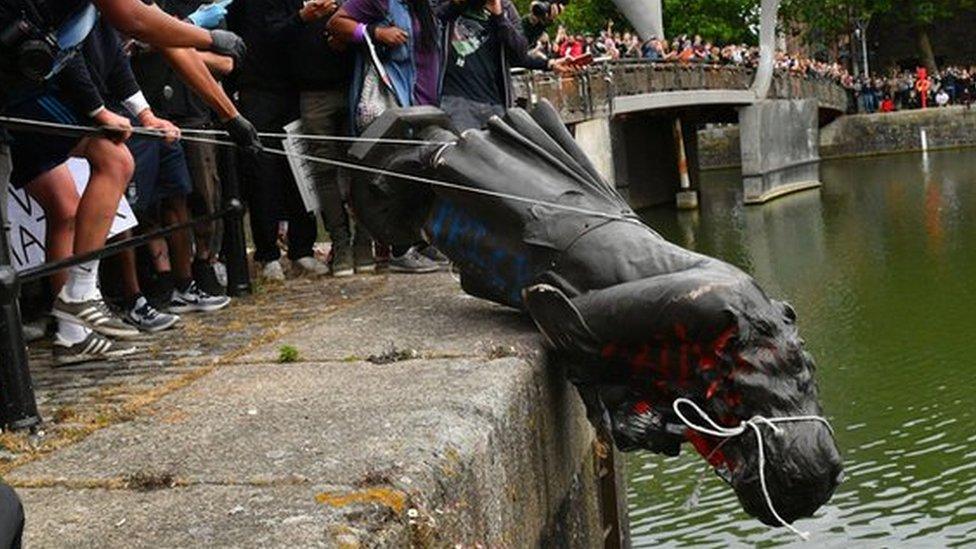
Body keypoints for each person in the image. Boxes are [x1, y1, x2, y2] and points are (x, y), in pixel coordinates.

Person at [329, 0, 448, 273]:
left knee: (422, 174)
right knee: (397, 175)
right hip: (395, 99)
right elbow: (337, 22)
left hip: (425, 102)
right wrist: (375, 33)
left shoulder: (423, 6)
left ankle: (420, 241)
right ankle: (399, 248)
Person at [266, 0, 375, 277]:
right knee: (323, 170)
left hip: (355, 86)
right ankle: (340, 243)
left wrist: (346, 38)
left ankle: (365, 242)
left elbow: (372, 22)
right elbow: (273, 40)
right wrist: (303, 18)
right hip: (311, 92)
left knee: (362, 167)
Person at [229, 0, 329, 282]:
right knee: (263, 174)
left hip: (296, 90)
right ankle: (267, 254)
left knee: (299, 171)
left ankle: (302, 249)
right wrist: (301, 18)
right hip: (259, 91)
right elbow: (261, 40)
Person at [434, 0, 572, 133]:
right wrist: (457, 3)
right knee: (461, 154)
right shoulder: (445, 3)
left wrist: (499, 16)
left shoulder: (505, 7)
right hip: (455, 100)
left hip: (495, 102)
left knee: (499, 155)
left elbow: (519, 53)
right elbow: (429, 21)